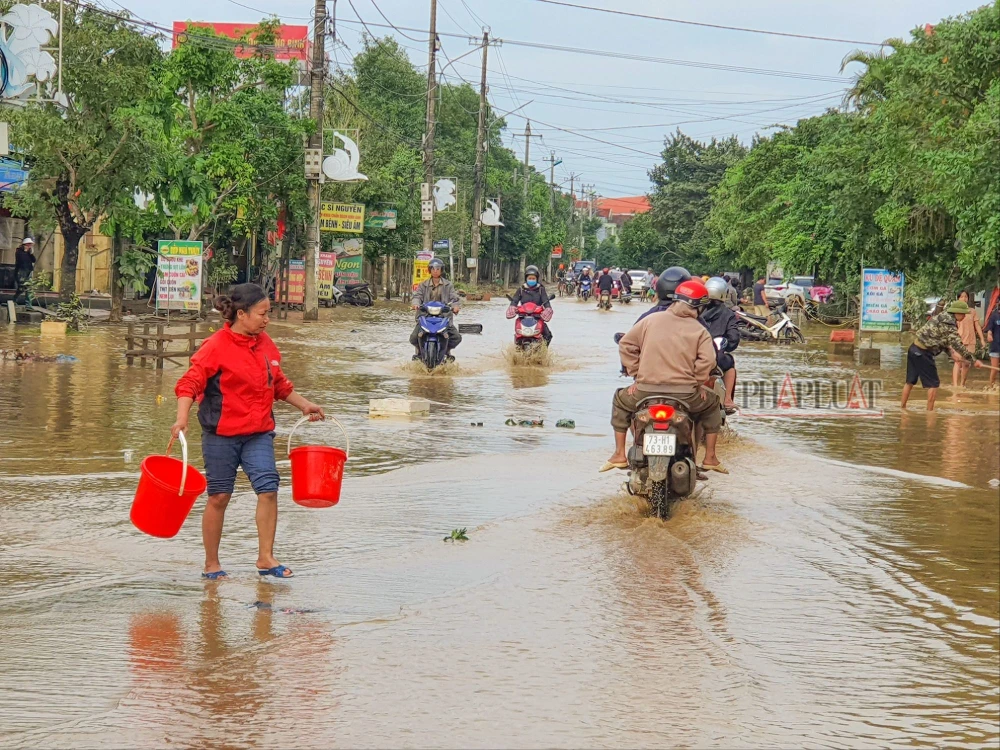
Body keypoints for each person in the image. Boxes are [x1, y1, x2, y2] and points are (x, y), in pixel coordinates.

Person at [172, 283, 326, 580]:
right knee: (219, 496)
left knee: (268, 488)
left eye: (268, 313)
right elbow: (189, 384)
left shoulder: (265, 344)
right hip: (221, 434)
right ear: (241, 314)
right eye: (262, 313)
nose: (267, 319)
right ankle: (212, 564)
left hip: (258, 432)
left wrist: (304, 405)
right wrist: (181, 419)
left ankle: (266, 558)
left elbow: (279, 384)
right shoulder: (215, 346)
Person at [603, 279, 726, 474]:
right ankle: (710, 457)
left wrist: (636, 374)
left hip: (645, 391)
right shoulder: (700, 330)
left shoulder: (649, 321)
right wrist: (698, 382)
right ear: (698, 307)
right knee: (712, 405)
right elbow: (708, 361)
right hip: (686, 394)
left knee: (620, 401)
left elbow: (626, 345)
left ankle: (619, 454)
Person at [901, 300, 983, 411]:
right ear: (956, 313)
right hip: (923, 353)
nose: (964, 316)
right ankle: (930, 412)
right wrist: (974, 360)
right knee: (934, 384)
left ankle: (902, 408)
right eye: (963, 314)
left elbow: (941, 339)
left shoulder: (942, 316)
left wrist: (951, 353)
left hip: (913, 348)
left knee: (910, 381)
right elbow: (957, 344)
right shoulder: (949, 324)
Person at [410, 258, 462, 360]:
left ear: (441, 270)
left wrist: (455, 306)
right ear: (429, 270)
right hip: (425, 316)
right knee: (413, 338)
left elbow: (455, 299)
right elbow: (417, 297)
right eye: (433, 268)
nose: (435, 270)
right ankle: (420, 351)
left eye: (438, 268)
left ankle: (446, 350)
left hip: (443, 317)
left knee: (456, 337)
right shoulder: (423, 285)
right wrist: (415, 304)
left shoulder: (448, 285)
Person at [702, 277, 740, 411]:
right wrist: (726, 345)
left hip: (690, 356)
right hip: (715, 358)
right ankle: (727, 399)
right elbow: (733, 339)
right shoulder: (728, 314)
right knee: (730, 363)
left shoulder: (695, 309)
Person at [508, 265, 553, 344]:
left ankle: (543, 353)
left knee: (548, 335)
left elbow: (546, 302)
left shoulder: (541, 289)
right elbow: (515, 301)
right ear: (526, 279)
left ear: (537, 279)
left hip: (537, 318)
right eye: (529, 278)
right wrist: (512, 307)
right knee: (517, 334)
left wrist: (548, 308)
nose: (531, 280)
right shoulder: (521, 289)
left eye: (533, 278)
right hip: (523, 318)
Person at [953, 290, 986, 387]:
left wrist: (982, 339)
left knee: (967, 363)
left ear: (968, 298)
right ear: (958, 298)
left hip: (971, 340)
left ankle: (962, 384)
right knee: (958, 362)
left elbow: (977, 326)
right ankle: (955, 385)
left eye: (965, 297)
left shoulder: (972, 311)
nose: (964, 298)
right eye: (962, 296)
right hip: (959, 340)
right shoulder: (955, 311)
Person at [13, 237, 36, 303]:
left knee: (28, 287)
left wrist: (31, 254)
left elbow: (34, 260)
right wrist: (25, 252)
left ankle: (28, 303)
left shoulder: (29, 253)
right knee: (22, 287)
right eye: (28, 245)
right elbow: (21, 260)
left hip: (28, 271)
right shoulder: (19, 251)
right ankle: (14, 299)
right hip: (21, 271)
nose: (30, 246)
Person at [987, 303, 1000, 389]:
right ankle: (991, 387)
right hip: (996, 346)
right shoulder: (994, 316)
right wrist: (989, 335)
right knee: (994, 368)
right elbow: (989, 330)